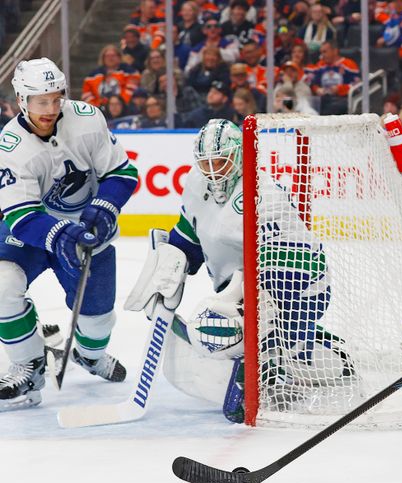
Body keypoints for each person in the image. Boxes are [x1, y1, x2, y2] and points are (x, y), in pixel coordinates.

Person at [127, 119, 348, 421]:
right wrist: (172, 261)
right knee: (237, 329)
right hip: (243, 286)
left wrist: (251, 310)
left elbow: (289, 263)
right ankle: (303, 351)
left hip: (299, 286)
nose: (213, 170)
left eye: (220, 160)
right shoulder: (196, 182)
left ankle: (272, 373)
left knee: (235, 328)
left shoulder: (263, 193)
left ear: (239, 155)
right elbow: (190, 232)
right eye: (206, 162)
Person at [0, 58, 136, 409]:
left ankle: (89, 357)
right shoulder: (11, 147)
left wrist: (106, 208)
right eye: (40, 101)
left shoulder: (88, 119)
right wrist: (61, 235)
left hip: (89, 233)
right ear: (21, 100)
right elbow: (20, 215)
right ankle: (29, 366)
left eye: (56, 98)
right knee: (2, 284)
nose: (50, 108)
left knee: (96, 323)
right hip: (35, 233)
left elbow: (122, 173)